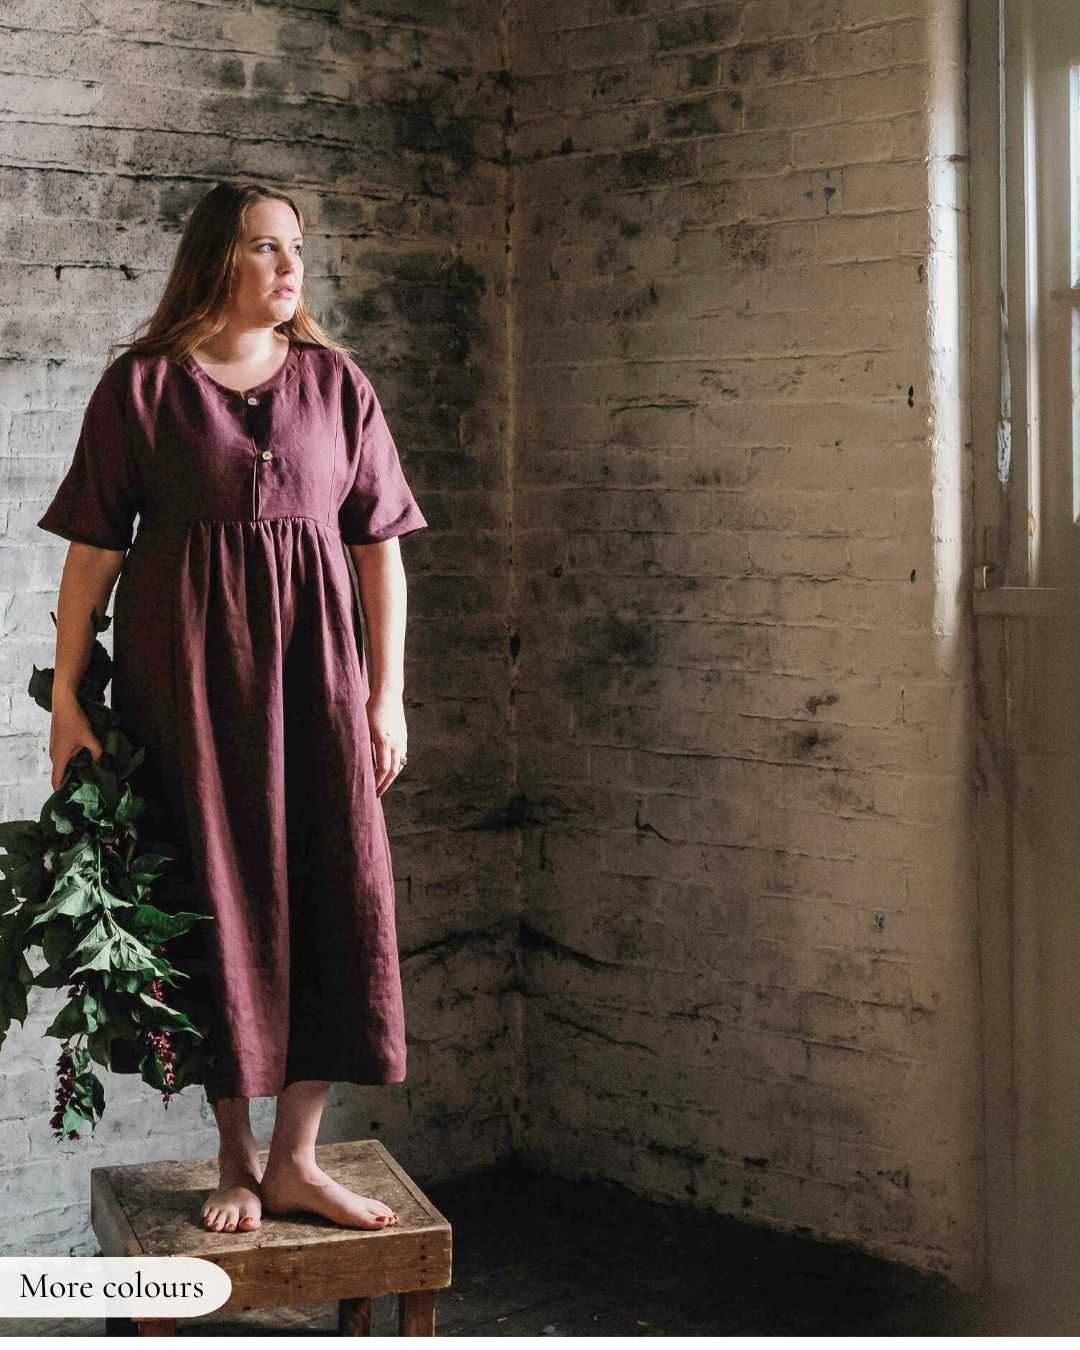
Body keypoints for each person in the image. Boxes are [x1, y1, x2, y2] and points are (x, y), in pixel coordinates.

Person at [38, 182, 429, 1235]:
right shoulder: (145, 387)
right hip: (186, 693)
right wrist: (68, 697)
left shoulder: (338, 384)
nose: (289, 266)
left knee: (333, 892)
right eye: (265, 247)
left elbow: (378, 552)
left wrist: (387, 696)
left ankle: (298, 1158)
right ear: (217, 259)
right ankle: (236, 1156)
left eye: (296, 247)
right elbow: (93, 556)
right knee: (203, 898)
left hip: (319, 690)